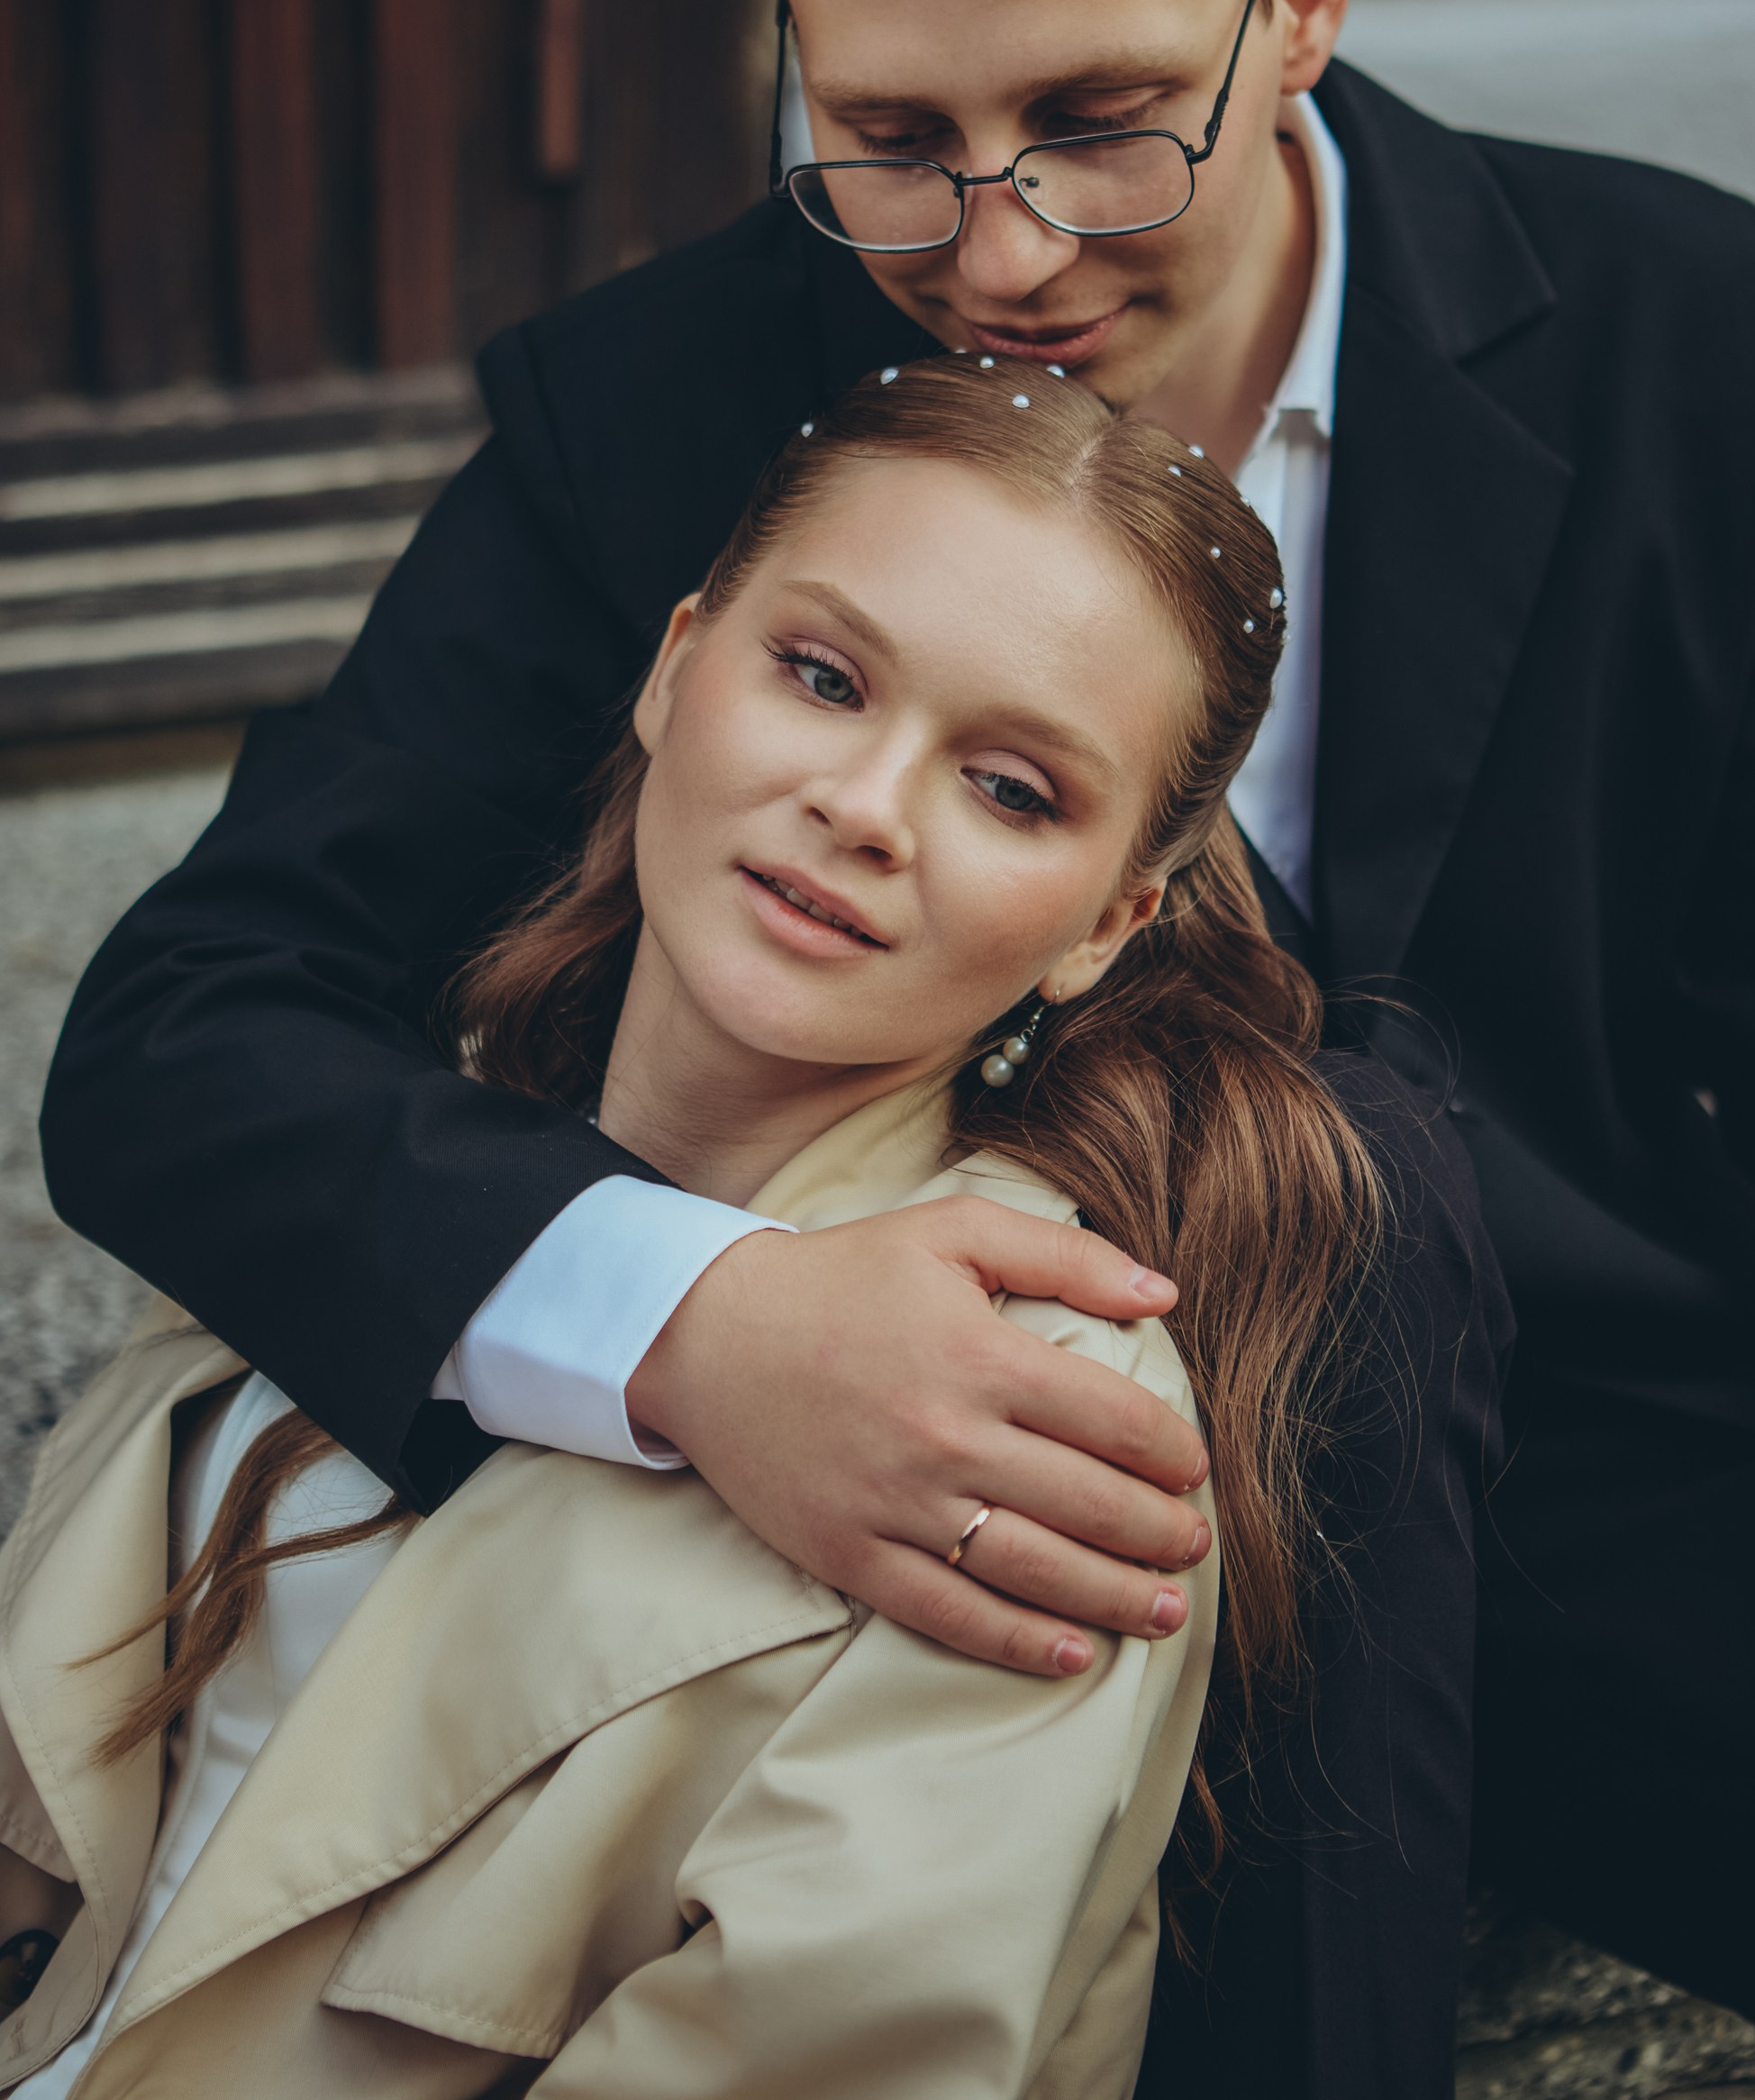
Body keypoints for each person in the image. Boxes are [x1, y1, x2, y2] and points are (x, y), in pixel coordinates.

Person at [37, 0, 1755, 2095]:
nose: (993, 251)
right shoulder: (642, 409)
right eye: (887, 136)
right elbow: (186, 1033)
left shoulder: (1678, 322)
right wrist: (705, 1327)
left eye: (1098, 124)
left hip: (1610, 1475)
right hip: (926, 1495)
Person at [4, 360, 1419, 2099]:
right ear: (678, 668)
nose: (867, 808)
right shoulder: (379, 1130)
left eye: (1013, 790)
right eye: (822, 678)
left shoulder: (1035, 1412)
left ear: (1108, 923)